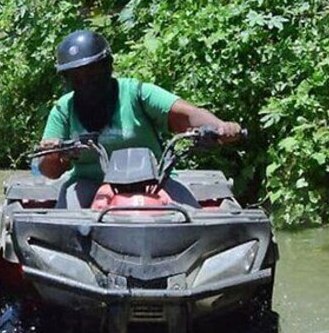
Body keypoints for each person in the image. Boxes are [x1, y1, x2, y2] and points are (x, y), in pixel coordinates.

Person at [38, 29, 242, 208]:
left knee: (193, 219)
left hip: (154, 181)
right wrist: (52, 153)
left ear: (108, 67)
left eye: (91, 73)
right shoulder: (64, 109)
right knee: (66, 229)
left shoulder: (137, 94)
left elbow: (188, 115)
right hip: (88, 183)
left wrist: (220, 127)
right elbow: (50, 172)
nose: (85, 82)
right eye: (76, 76)